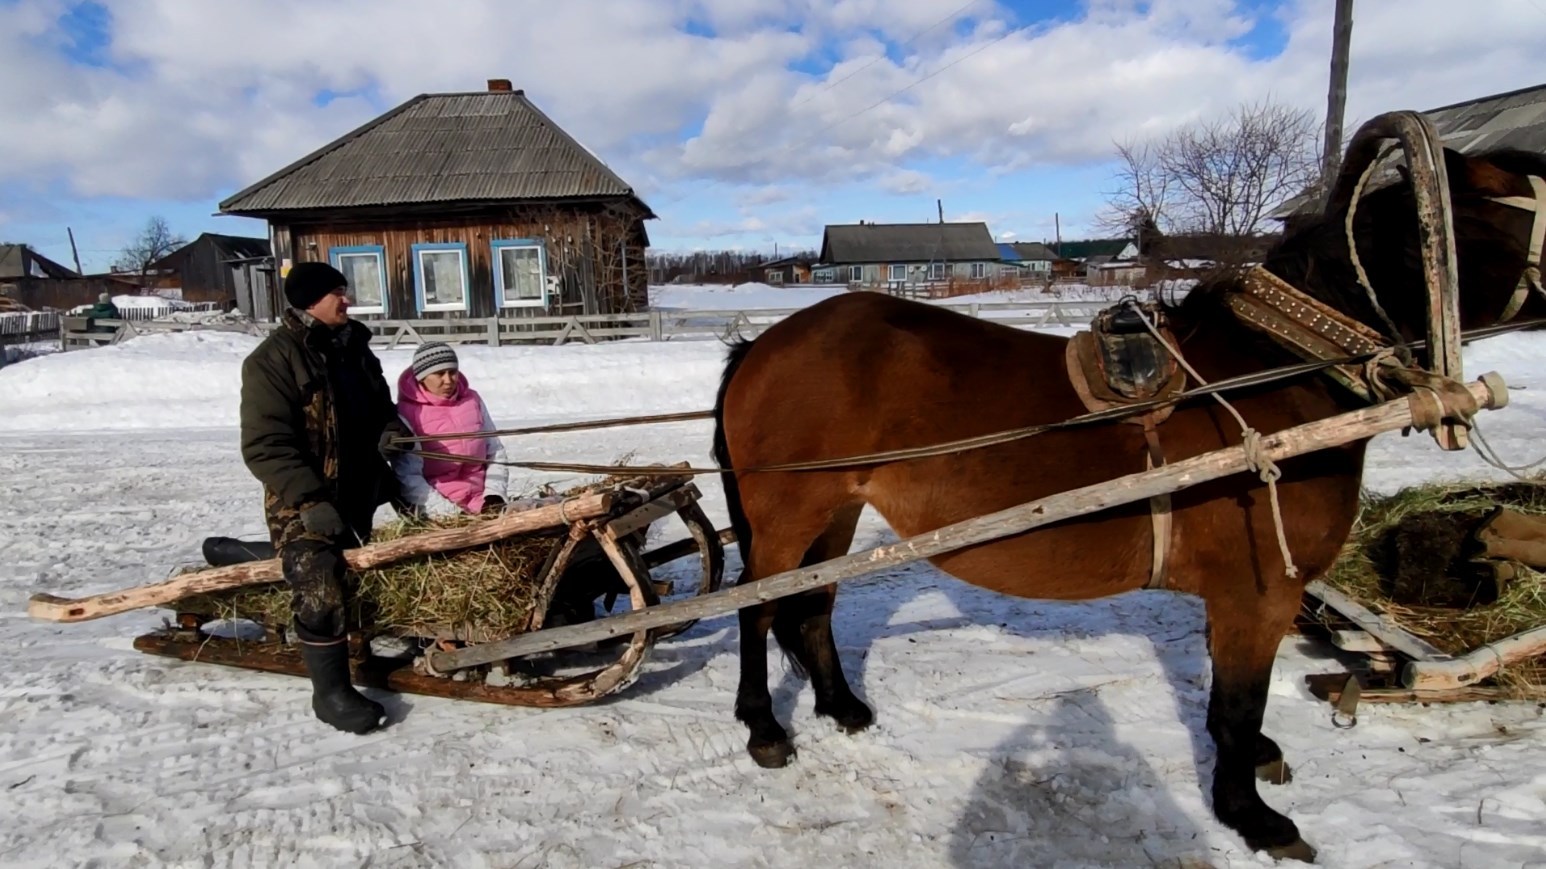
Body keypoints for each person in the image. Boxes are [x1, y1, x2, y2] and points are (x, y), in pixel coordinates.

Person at [238, 260, 409, 735]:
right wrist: (311, 500)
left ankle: (363, 645)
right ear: (311, 300)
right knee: (319, 577)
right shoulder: (272, 361)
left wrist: (392, 431)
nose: (347, 299)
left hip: (359, 490)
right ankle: (330, 692)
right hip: (304, 500)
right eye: (338, 292)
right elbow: (265, 446)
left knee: (368, 566)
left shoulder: (354, 347)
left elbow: (380, 408)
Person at [392, 342, 509, 517]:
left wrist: (494, 495)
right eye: (439, 374)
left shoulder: (472, 400)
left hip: (482, 503)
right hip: (439, 509)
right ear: (421, 377)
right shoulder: (406, 413)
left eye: (452, 372)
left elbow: (495, 451)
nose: (448, 380)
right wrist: (451, 514)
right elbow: (409, 475)